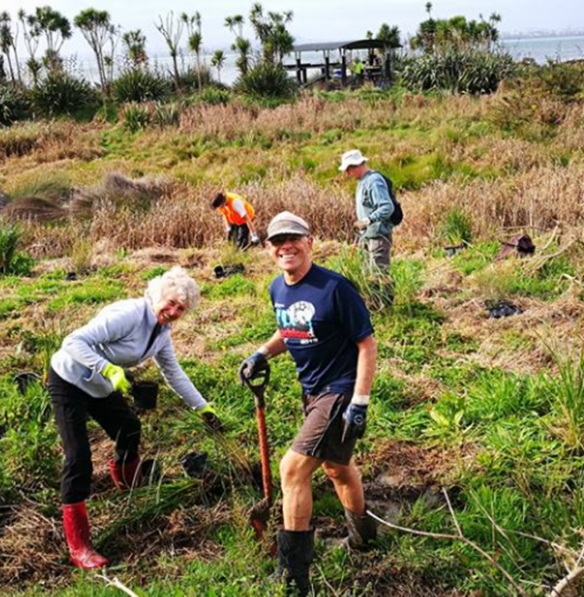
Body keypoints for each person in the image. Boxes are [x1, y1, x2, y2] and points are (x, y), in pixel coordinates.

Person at [238, 212, 379, 596]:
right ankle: (365, 536)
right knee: (336, 466)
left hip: (340, 389)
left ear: (309, 241)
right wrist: (263, 353)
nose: (286, 246)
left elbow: (366, 344)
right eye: (277, 241)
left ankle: (294, 576)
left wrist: (360, 402)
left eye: (293, 239)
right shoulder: (277, 289)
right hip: (311, 390)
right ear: (268, 249)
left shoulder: (335, 288)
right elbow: (289, 330)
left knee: (293, 470)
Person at [48, 267, 222, 570]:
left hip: (99, 383)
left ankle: (128, 482)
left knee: (128, 427)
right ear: (156, 295)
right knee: (78, 457)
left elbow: (174, 374)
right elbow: (73, 342)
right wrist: (109, 369)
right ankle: (79, 545)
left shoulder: (161, 333)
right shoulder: (129, 314)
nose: (173, 311)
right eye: (169, 303)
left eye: (181, 308)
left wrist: (203, 407)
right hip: (69, 378)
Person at [339, 149, 395, 274]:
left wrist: (367, 220)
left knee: (379, 275)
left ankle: (386, 294)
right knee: (367, 275)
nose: (347, 173)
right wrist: (359, 239)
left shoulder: (374, 181)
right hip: (367, 237)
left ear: (357, 165)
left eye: (348, 169)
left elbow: (387, 207)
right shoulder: (361, 182)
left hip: (378, 237)